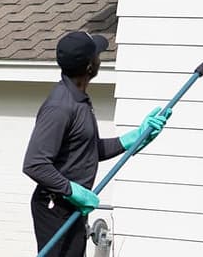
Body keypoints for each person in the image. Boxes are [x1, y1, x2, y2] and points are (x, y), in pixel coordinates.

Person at [23, 31, 169, 256]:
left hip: (72, 206)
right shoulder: (60, 106)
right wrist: (73, 191)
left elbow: (87, 150)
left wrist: (134, 138)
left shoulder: (80, 100)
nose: (100, 58)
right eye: (97, 55)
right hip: (55, 209)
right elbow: (34, 164)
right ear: (89, 66)